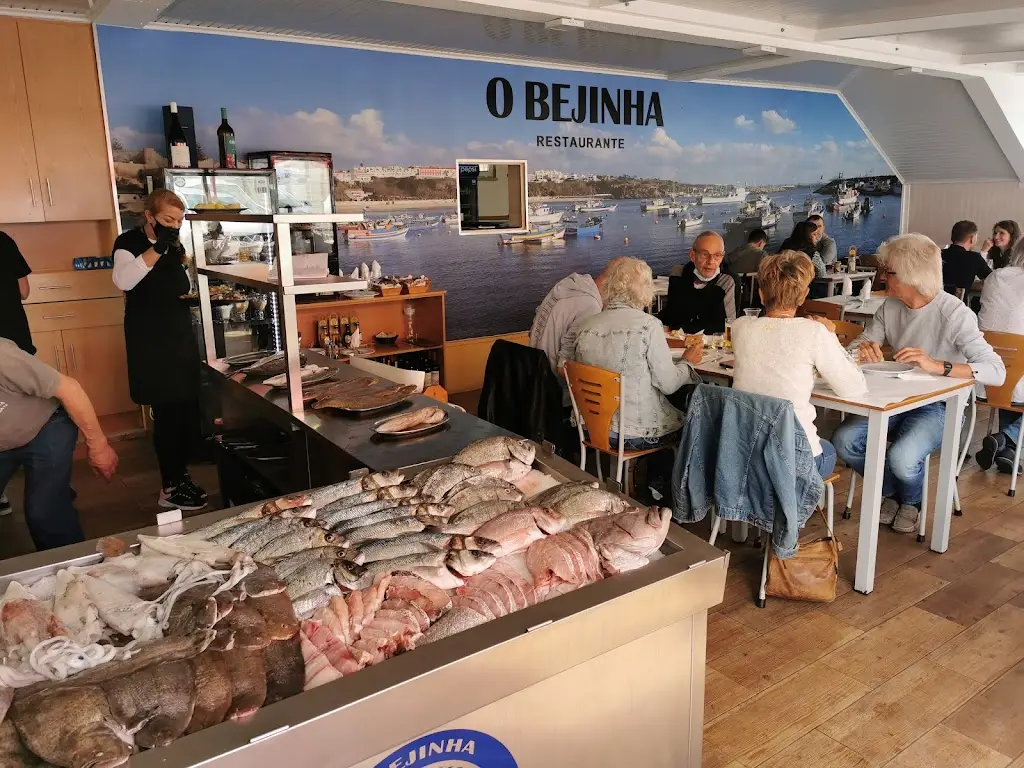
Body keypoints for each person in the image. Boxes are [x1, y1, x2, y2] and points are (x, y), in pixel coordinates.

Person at [833, 233, 1005, 534]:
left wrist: (939, 366)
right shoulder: (890, 307)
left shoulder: (954, 314)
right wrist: (862, 350)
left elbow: (996, 371)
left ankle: (911, 500)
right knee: (844, 440)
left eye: (890, 272)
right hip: (895, 400)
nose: (883, 277)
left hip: (939, 407)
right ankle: (889, 491)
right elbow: (859, 345)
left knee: (902, 457)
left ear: (913, 275)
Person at [732, 251, 867, 479]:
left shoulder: (740, 327)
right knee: (829, 450)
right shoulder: (814, 332)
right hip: (794, 459)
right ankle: (798, 502)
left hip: (745, 454)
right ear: (803, 297)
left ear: (761, 295)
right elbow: (853, 388)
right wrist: (831, 334)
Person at [113, 189, 206, 511]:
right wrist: (158, 247)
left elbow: (180, 285)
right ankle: (169, 487)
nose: (175, 225)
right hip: (150, 338)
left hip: (178, 333)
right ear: (150, 216)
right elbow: (124, 280)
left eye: (179, 220)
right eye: (168, 219)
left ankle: (182, 475)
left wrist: (171, 249)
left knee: (183, 407)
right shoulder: (128, 243)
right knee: (167, 411)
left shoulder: (173, 247)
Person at [0, 338, 118, 550]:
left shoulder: (3, 356)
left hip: (46, 427)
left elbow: (70, 390)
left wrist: (99, 447)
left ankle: (74, 573)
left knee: (44, 512)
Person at [573, 257, 701, 449]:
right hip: (635, 433)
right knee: (695, 419)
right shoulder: (648, 326)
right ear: (645, 289)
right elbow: (668, 385)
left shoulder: (586, 326)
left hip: (590, 428)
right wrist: (687, 363)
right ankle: (663, 478)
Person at [976, 238, 1024, 473]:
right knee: (1018, 373)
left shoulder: (996, 277)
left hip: (983, 378)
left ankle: (1008, 451)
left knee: (1014, 370)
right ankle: (1007, 437)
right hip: (1013, 378)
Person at [529, 259, 624, 375]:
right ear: (615, 286)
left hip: (533, 370)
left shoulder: (569, 287)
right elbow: (563, 367)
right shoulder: (590, 306)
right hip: (552, 383)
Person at [0, 232, 34, 517]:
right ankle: (44, 478)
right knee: (26, 409)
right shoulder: (4, 241)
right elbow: (24, 291)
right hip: (13, 335)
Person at [659, 231, 737, 334]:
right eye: (705, 254)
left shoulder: (728, 281)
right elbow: (672, 315)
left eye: (717, 255)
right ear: (692, 255)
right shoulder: (678, 274)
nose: (711, 261)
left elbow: (728, 325)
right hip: (677, 343)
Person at [941, 220, 990, 295]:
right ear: (972, 239)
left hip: (935, 301)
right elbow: (991, 281)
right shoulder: (974, 257)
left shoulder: (938, 254)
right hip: (959, 303)